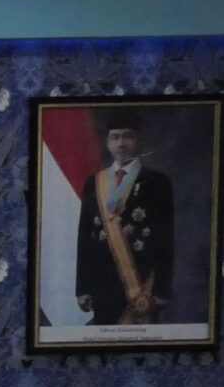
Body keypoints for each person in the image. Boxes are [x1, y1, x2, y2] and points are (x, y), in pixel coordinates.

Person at [73, 110, 174, 326]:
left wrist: (162, 289)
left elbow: (166, 239)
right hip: (102, 284)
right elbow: (85, 237)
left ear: (139, 140)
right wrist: (82, 288)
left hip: (142, 284)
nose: (121, 144)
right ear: (107, 142)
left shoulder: (157, 182)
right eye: (115, 137)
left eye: (128, 136)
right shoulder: (94, 183)